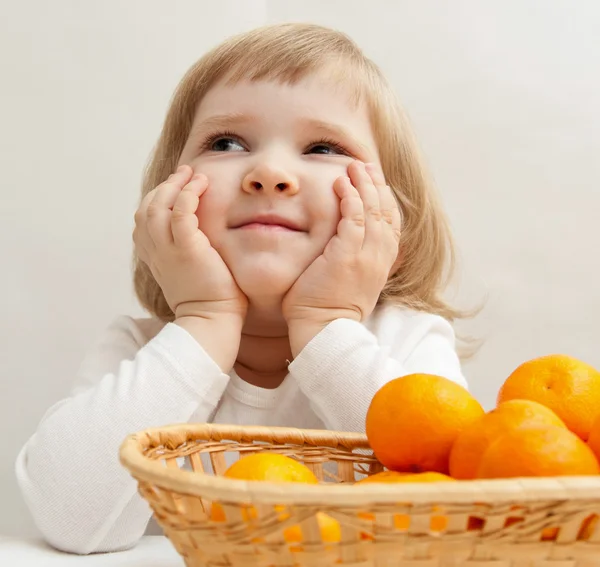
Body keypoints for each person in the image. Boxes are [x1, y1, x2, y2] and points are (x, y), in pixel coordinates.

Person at [16, 23, 472, 555]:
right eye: (226, 142)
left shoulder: (409, 342)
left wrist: (328, 325)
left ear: (390, 210)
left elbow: (456, 510)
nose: (270, 173)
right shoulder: (142, 350)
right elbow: (72, 520)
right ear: (167, 196)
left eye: (323, 147)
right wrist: (203, 322)